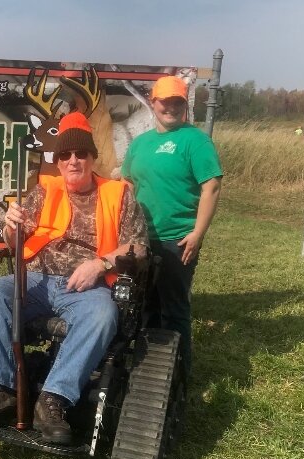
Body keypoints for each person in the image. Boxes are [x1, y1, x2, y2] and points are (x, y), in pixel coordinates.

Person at [0, 112, 148, 444]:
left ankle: (53, 399)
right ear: (58, 161)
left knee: (104, 315)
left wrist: (101, 263)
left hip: (88, 287)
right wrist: (11, 227)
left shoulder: (118, 194)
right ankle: (2, 390)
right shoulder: (42, 192)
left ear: (92, 157)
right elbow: (15, 243)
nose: (73, 160)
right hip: (37, 280)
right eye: (65, 155)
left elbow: (139, 247)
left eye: (80, 154)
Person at [120, 75, 223, 378]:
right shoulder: (140, 143)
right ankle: (149, 374)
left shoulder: (196, 141)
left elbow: (212, 187)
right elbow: (126, 183)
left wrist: (197, 234)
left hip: (176, 239)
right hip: (140, 238)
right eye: (165, 102)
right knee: (142, 305)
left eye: (178, 102)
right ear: (153, 103)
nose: (171, 108)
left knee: (174, 309)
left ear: (185, 105)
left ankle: (178, 376)